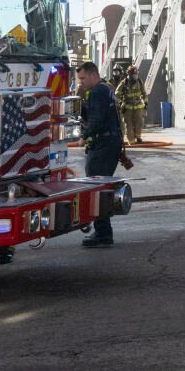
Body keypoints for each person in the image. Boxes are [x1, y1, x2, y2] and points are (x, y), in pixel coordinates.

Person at [76, 62, 122, 247]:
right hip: (111, 143)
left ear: (94, 75)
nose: (81, 83)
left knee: (97, 189)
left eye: (83, 78)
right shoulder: (106, 89)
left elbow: (96, 120)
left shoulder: (96, 92)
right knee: (102, 187)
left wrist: (82, 136)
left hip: (103, 145)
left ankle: (103, 234)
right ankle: (103, 231)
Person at [115, 63, 147, 144]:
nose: (135, 76)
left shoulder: (139, 81)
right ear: (129, 74)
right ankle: (131, 141)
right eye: (134, 74)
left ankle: (138, 137)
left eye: (136, 74)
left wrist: (146, 102)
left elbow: (144, 92)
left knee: (139, 122)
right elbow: (117, 94)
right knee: (128, 125)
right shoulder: (124, 82)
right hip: (127, 107)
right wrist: (120, 102)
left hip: (138, 106)